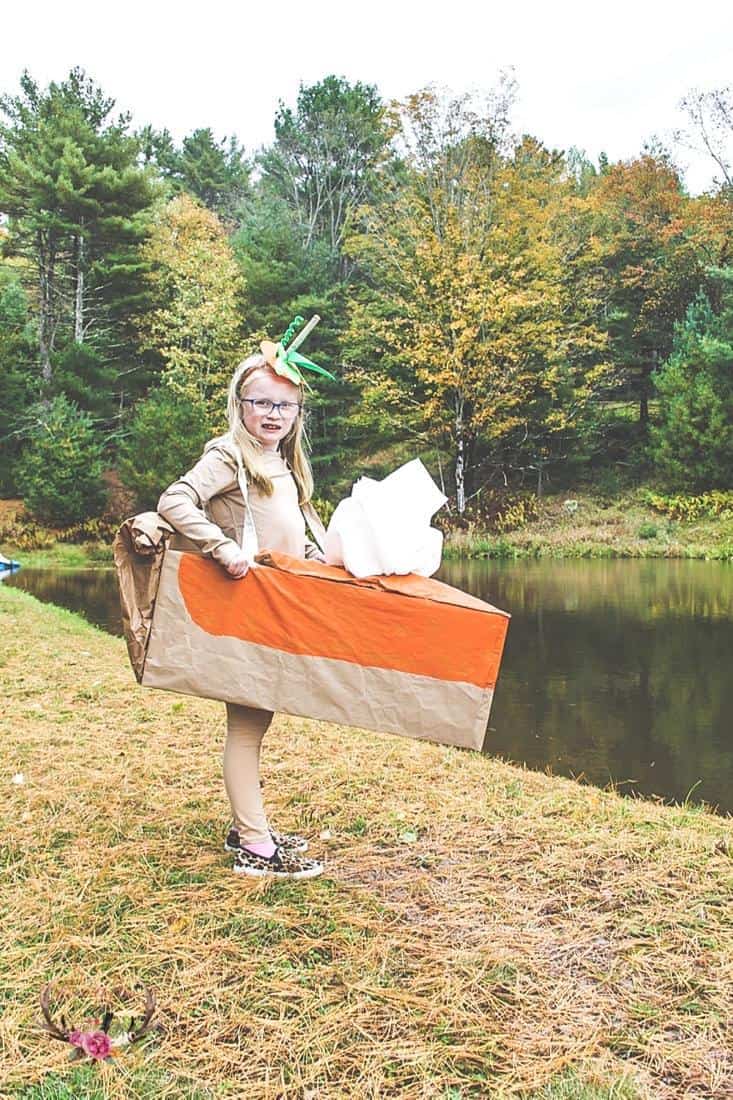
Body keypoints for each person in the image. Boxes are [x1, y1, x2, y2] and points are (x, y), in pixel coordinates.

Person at [157, 348, 329, 880]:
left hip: (280, 608)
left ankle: (246, 825)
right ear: (240, 404)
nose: (273, 414)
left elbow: (292, 532)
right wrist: (221, 547)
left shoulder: (281, 461)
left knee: (258, 718)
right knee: (248, 723)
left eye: (286, 405)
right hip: (247, 609)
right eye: (261, 403)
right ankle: (253, 844)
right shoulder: (229, 456)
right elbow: (175, 499)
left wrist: (322, 558)